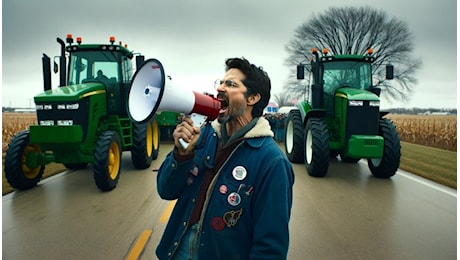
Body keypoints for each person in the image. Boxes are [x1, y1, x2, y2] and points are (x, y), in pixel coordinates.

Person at [156, 57, 295, 260]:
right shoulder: (202, 137)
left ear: (253, 98)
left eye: (230, 84)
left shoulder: (272, 162)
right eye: (220, 82)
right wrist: (181, 155)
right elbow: (166, 191)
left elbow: (270, 246)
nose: (220, 88)